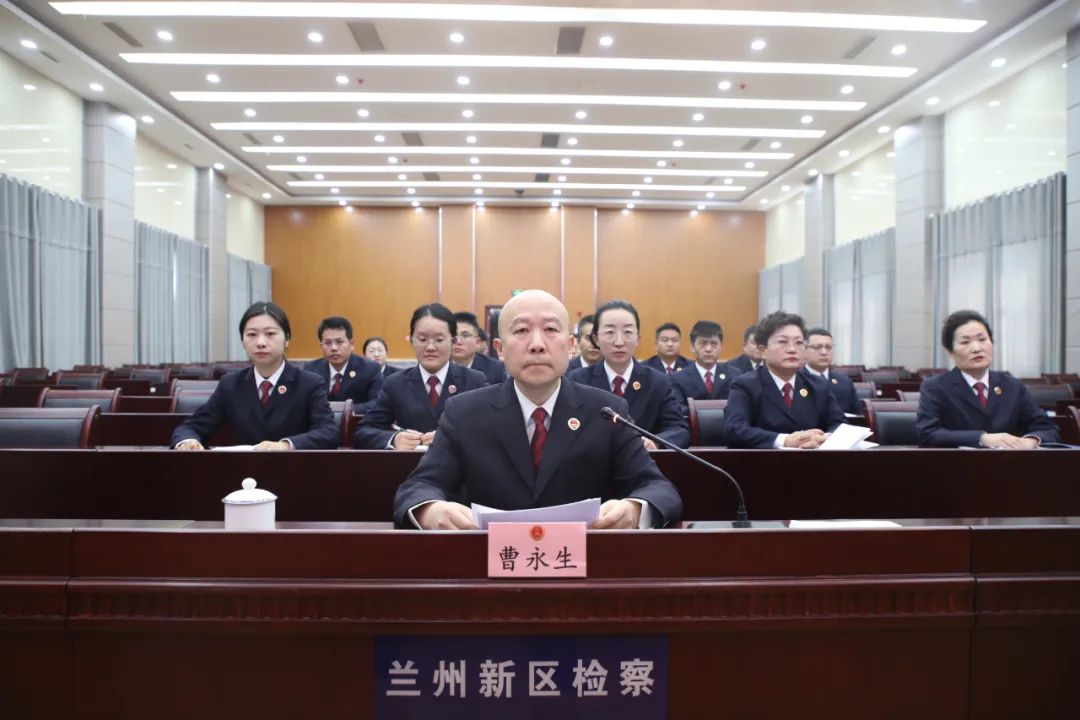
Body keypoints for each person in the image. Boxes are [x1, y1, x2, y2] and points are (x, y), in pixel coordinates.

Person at [393, 290, 683, 530]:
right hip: (488, 567)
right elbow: (419, 486)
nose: (536, 345)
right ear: (500, 349)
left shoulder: (606, 411)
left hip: (586, 568)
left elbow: (658, 489)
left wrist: (634, 508)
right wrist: (431, 511)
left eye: (551, 330)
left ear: (570, 346)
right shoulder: (465, 412)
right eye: (521, 331)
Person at [171, 302, 338, 450]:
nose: (260, 343)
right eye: (252, 334)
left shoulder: (309, 384)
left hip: (293, 469)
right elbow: (191, 427)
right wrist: (187, 441)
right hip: (243, 472)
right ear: (242, 341)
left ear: (287, 339)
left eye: (270, 334)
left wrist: (286, 445)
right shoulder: (231, 385)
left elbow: (328, 432)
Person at [915, 310, 1059, 448]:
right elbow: (928, 432)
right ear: (950, 352)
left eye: (982, 339)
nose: (977, 348)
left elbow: (1048, 429)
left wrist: (1031, 441)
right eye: (965, 342)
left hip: (1009, 462)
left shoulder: (1012, 386)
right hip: (957, 463)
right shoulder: (936, 387)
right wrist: (982, 438)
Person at [354, 303, 487, 450]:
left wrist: (452, 437)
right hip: (410, 463)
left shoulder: (474, 381)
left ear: (453, 341)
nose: (430, 347)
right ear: (412, 340)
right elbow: (364, 431)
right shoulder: (395, 384)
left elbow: (490, 430)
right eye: (422, 339)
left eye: (439, 340)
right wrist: (394, 439)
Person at [568, 300, 690, 449]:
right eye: (610, 332)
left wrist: (656, 442)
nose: (619, 342)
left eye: (627, 332)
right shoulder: (578, 380)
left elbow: (679, 429)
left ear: (638, 339)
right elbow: (568, 428)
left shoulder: (658, 382)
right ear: (596, 339)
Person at [724, 311, 845, 449]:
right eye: (783, 342)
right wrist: (784, 440)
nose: (792, 349)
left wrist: (825, 438)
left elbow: (839, 425)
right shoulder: (745, 385)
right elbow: (735, 430)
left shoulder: (819, 385)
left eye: (799, 342)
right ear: (763, 350)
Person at [302, 316, 383, 413]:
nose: (334, 348)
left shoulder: (370, 369)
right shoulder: (310, 370)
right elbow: (302, 402)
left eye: (339, 342)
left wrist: (344, 411)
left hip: (357, 421)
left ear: (352, 344)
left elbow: (377, 403)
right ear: (321, 346)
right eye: (327, 343)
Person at [671, 320, 734, 403]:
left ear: (721, 347)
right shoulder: (678, 379)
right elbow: (678, 407)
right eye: (703, 343)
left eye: (714, 344)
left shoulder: (734, 375)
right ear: (692, 347)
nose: (708, 349)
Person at [804, 327, 861, 415]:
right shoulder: (796, 380)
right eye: (817, 347)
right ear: (804, 350)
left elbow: (858, 416)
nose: (824, 352)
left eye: (828, 347)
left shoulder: (845, 382)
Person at [452, 311, 507, 384]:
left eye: (465, 335)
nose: (458, 341)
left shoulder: (495, 370)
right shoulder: (440, 365)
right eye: (453, 335)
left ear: (477, 342)